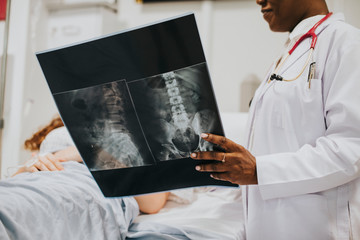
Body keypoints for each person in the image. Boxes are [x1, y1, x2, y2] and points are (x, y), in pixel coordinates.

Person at [191, 0, 360, 239]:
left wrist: (260, 171)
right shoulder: (293, 52)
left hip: (317, 229)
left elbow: (350, 149)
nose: (258, 0)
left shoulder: (346, 42)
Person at [13, 115, 169, 214]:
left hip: (84, 193)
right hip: (38, 181)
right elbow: (13, 180)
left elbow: (153, 203)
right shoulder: (62, 130)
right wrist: (28, 167)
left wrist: (91, 153)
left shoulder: (137, 137)